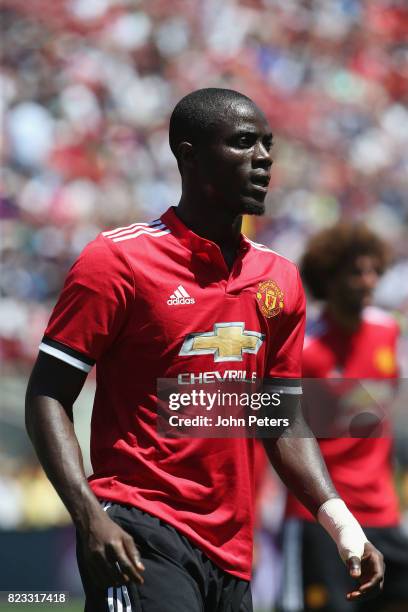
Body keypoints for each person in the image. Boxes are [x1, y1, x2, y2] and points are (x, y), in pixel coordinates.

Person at [25, 89, 384, 612]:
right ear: (188, 155)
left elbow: (280, 419)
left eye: (267, 144)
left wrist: (341, 522)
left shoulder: (279, 279)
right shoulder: (116, 261)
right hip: (137, 528)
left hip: (232, 554)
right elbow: (47, 394)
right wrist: (88, 514)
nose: (263, 158)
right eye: (243, 143)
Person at [280, 224, 408, 612]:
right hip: (324, 519)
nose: (368, 281)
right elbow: (279, 429)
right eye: (355, 272)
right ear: (328, 279)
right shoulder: (306, 347)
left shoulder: (388, 333)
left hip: (383, 512)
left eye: (373, 271)